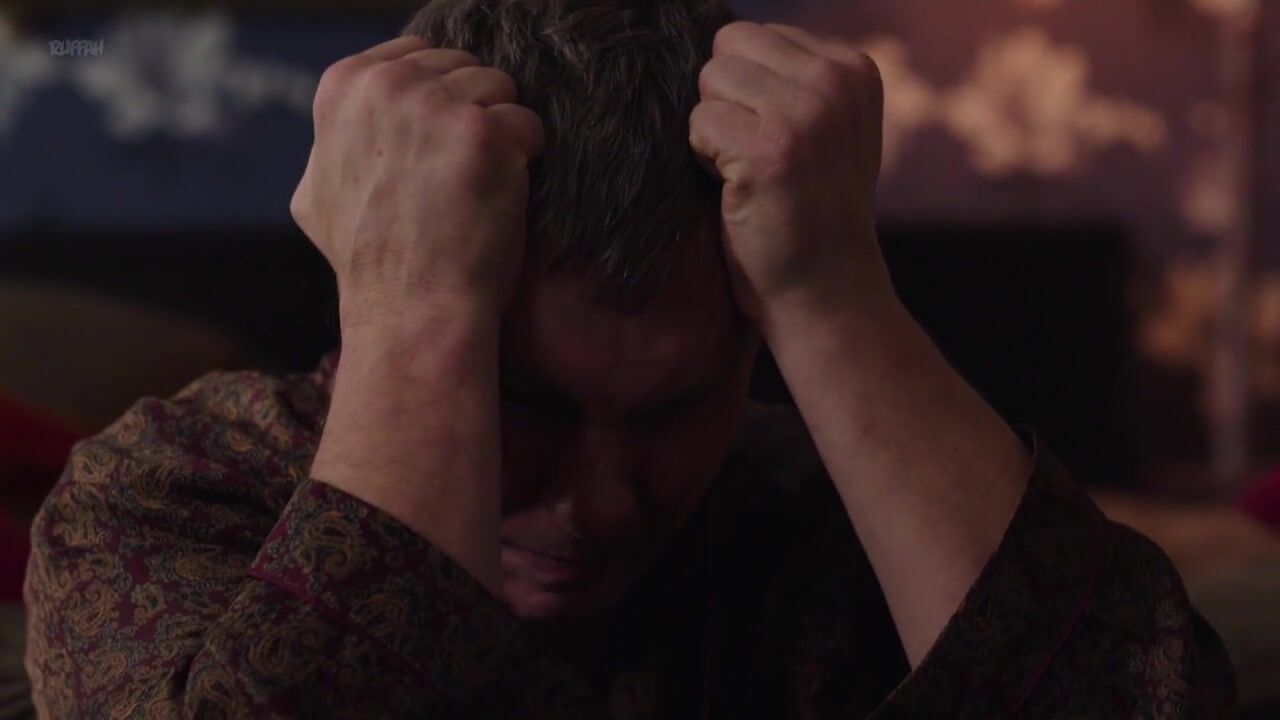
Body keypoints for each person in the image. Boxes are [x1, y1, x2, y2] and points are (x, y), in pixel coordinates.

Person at [23, 0, 1236, 716]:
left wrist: (832, 294)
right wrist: (415, 305)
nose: (597, 506)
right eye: (521, 402)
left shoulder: (815, 516)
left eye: (669, 411)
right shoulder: (168, 493)